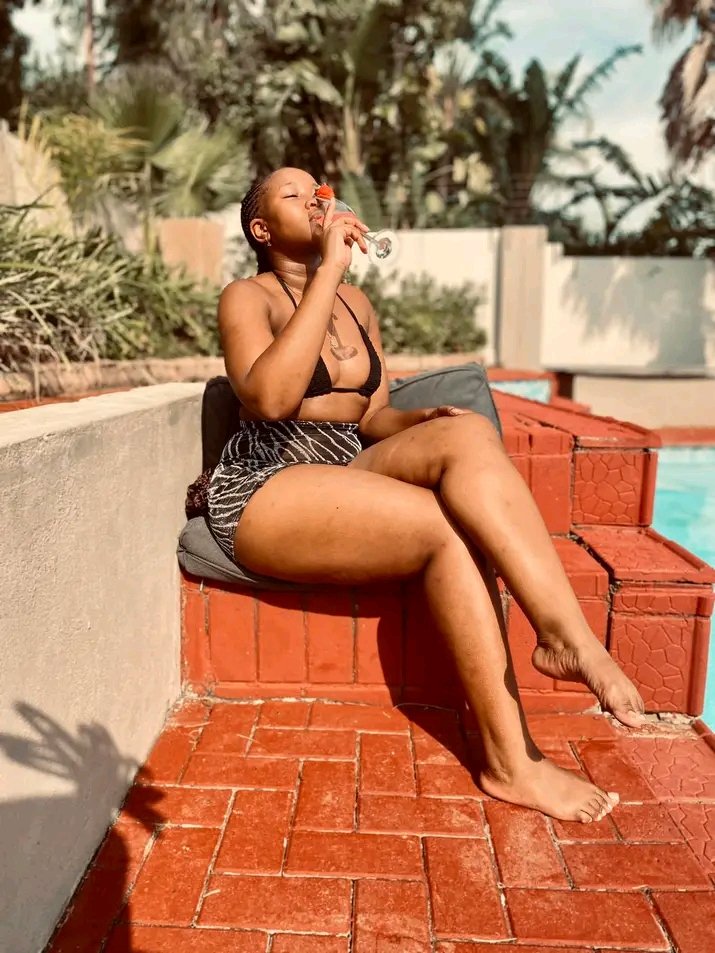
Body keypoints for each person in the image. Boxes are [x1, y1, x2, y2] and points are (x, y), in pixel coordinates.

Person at [206, 166, 645, 824]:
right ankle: (511, 761)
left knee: (467, 432)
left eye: (318, 189)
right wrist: (329, 271)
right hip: (268, 480)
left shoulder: (358, 305)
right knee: (444, 529)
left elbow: (370, 415)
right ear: (262, 229)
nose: (317, 199)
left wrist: (424, 420)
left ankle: (567, 637)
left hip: (346, 463)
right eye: (293, 195)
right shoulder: (247, 296)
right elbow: (269, 398)